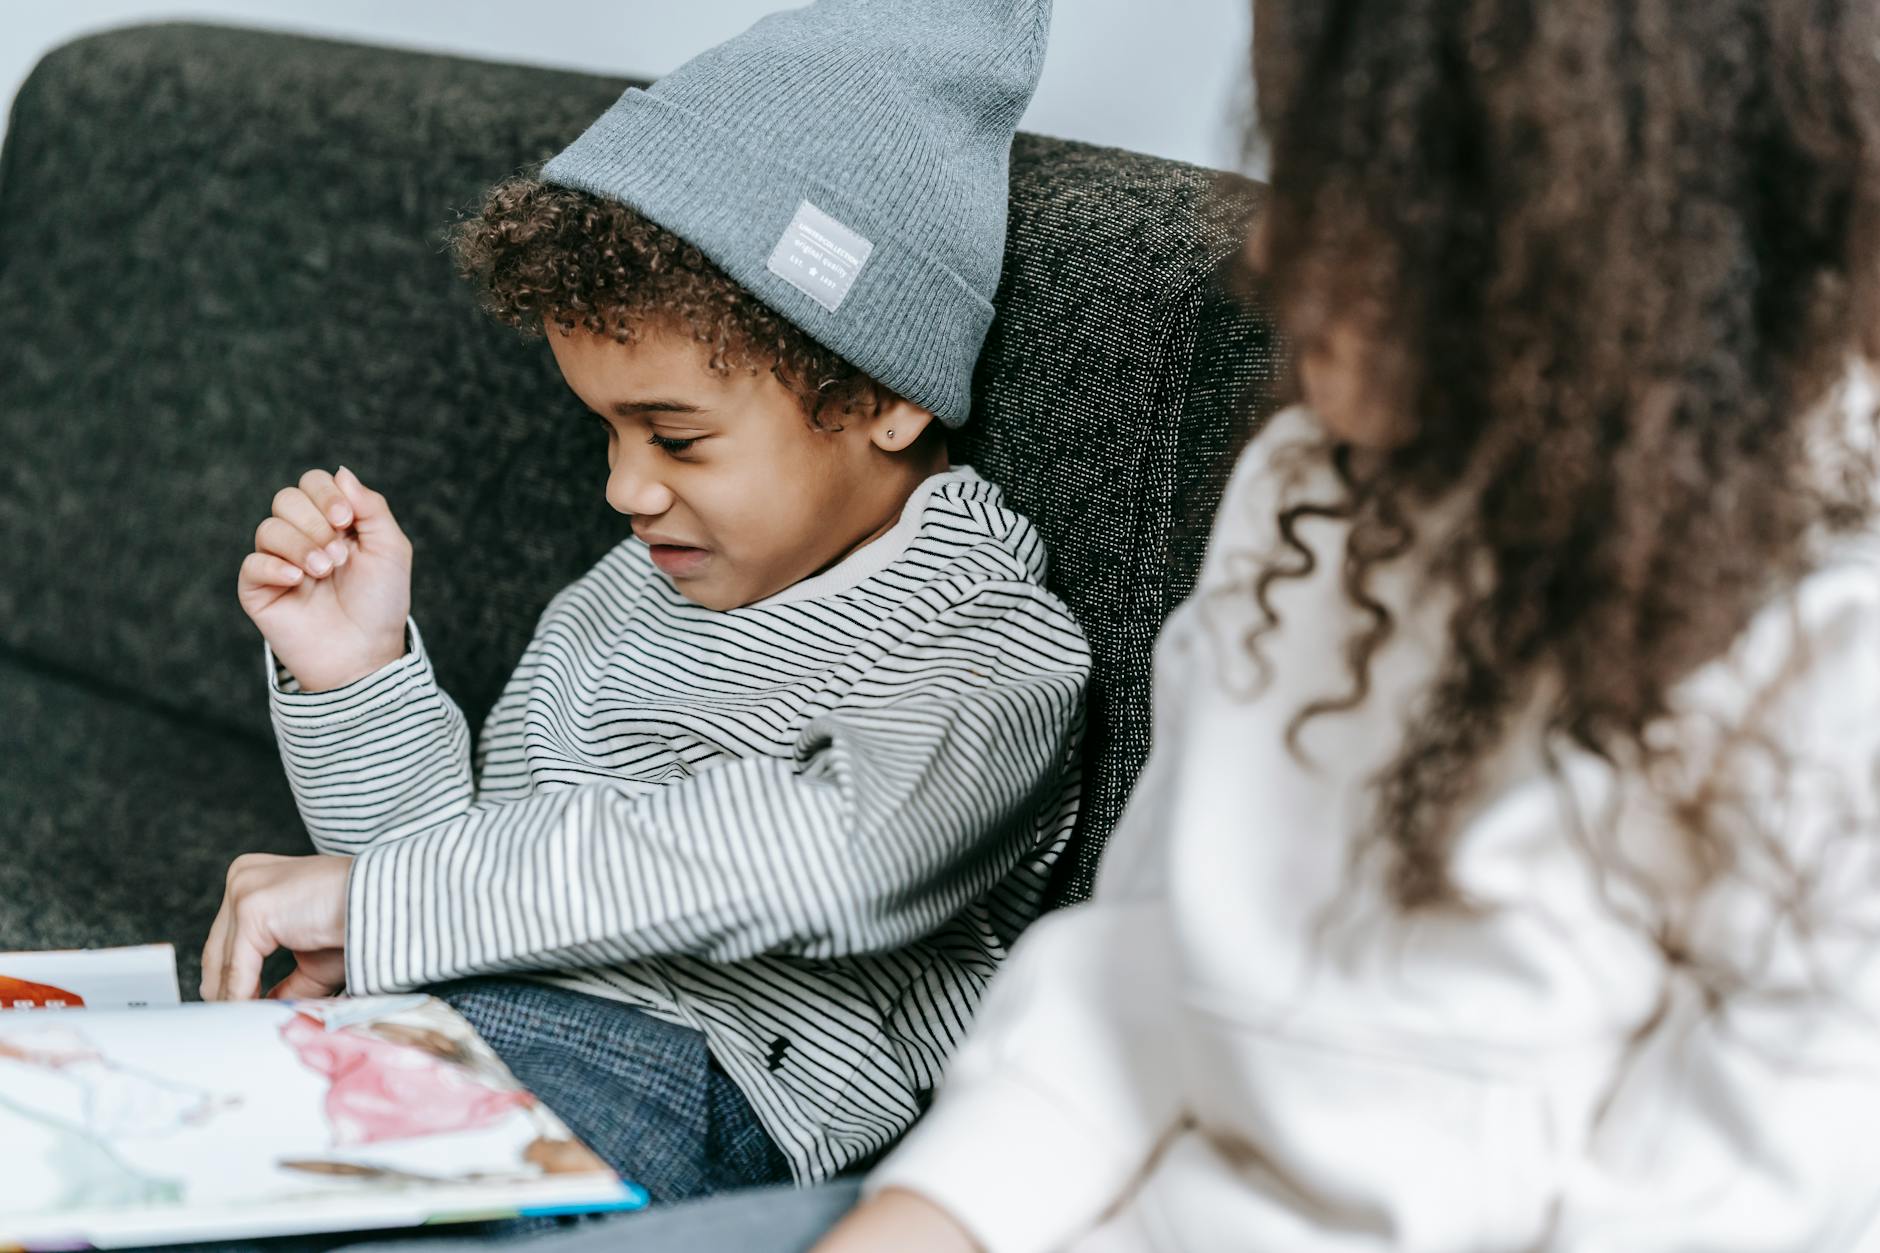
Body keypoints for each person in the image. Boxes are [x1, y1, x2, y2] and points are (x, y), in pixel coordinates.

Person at [380, 0, 1880, 1246]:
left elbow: (1733, 1188)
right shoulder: (1311, 496)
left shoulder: (1829, 629)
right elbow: (1139, 966)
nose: (1279, 261)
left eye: (1368, 205)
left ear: (1601, 244)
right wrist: (932, 1216)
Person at [199, 0, 1090, 1206]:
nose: (624, 488)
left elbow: (837, 855)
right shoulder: (630, 593)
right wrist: (358, 679)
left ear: (885, 395)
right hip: (455, 1013)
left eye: (676, 435)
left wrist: (386, 902)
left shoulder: (985, 641)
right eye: (606, 431)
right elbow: (463, 884)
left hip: (681, 1078)